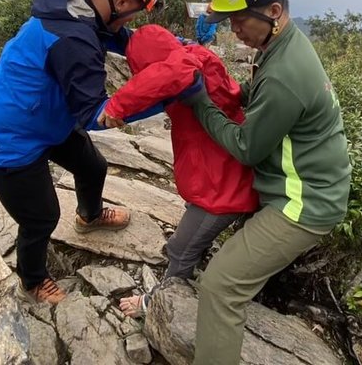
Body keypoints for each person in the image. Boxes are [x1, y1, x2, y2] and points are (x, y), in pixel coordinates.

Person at [181, 0, 353, 364]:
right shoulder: (282, 46)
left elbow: (245, 148)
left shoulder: (284, 73)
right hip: (304, 188)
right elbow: (262, 107)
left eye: (239, 20)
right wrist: (229, 91)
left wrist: (200, 101)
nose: (233, 29)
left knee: (220, 286)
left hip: (303, 204)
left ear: (273, 12)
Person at [0, 0, 164, 306]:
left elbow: (113, 35)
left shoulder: (78, 4)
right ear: (121, 2)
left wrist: (166, 49)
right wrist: (164, 96)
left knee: (93, 165)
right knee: (42, 217)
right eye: (135, 12)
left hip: (43, 119)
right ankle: (33, 281)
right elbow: (97, 113)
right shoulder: (73, 38)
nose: (132, 20)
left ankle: (89, 217)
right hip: (6, 140)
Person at [96, 23, 259, 317]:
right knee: (190, 237)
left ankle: (158, 302)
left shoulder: (185, 68)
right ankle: (197, 252)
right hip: (220, 177)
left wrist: (117, 105)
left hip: (221, 191)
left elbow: (170, 71)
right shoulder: (198, 57)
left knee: (180, 249)